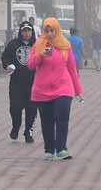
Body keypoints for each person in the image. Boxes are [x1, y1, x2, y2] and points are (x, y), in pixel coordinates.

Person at [28, 17, 84, 161]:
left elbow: (72, 69)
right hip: (42, 89)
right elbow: (31, 65)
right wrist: (41, 55)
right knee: (47, 120)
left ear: (57, 30)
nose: (50, 33)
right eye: (47, 31)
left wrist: (79, 91)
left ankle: (61, 149)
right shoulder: (38, 45)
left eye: (52, 30)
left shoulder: (65, 46)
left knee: (62, 116)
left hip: (63, 87)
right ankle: (49, 149)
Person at [1, 21, 37, 143]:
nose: (26, 33)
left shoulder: (37, 45)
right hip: (17, 82)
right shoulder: (13, 44)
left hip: (33, 83)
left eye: (29, 30)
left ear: (32, 32)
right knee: (15, 108)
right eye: (24, 31)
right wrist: (7, 66)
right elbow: (5, 57)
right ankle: (16, 127)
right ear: (20, 32)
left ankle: (28, 131)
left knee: (31, 109)